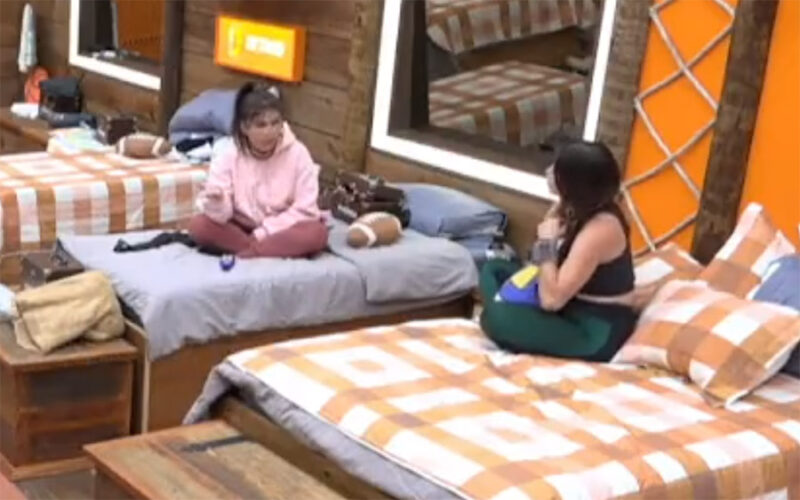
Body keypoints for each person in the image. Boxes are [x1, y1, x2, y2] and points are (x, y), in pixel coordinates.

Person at [480, 141, 641, 362]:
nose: (550, 173)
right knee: (494, 268)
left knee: (497, 318)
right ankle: (512, 312)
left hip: (594, 328)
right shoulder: (581, 206)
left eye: (557, 170)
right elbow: (536, 262)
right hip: (569, 304)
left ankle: (507, 313)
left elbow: (551, 300)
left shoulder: (600, 229)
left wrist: (547, 243)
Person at [188, 82, 328, 259]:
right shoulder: (227, 155)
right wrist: (217, 202)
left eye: (275, 123)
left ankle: (251, 252)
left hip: (282, 229)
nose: (270, 132)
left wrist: (265, 231)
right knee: (199, 225)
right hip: (241, 228)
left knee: (317, 233)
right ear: (244, 128)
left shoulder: (298, 153)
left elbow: (306, 209)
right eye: (261, 125)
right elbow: (222, 215)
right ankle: (260, 250)